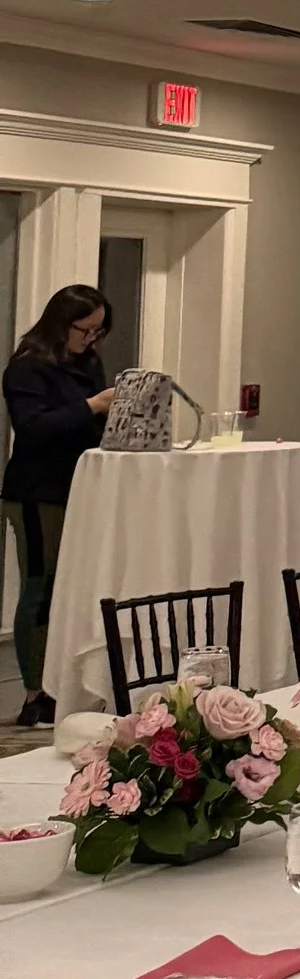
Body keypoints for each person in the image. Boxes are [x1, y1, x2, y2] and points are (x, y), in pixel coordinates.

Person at [4, 282, 114, 725]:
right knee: (39, 586)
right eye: (85, 330)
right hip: (37, 492)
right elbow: (32, 428)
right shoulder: (27, 368)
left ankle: (67, 681)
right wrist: (92, 405)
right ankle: (35, 692)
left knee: (70, 587)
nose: (91, 339)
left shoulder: (87, 361)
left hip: (79, 488)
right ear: (60, 324)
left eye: (98, 331)